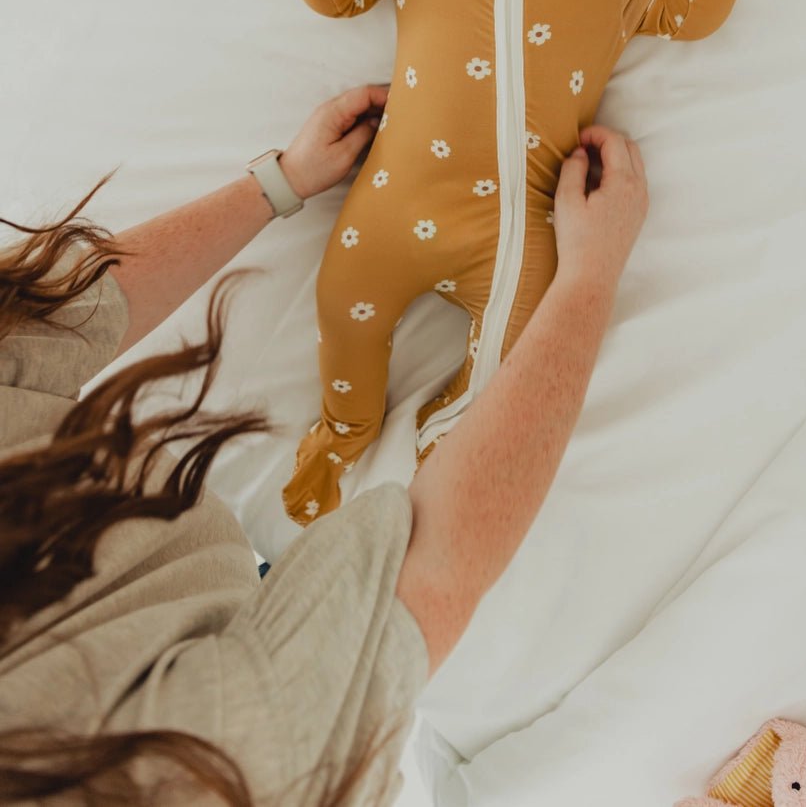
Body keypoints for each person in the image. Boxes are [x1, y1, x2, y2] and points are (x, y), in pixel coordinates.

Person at [0, 83, 648, 806]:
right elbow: (431, 564)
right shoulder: (208, 767)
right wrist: (590, 278)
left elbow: (41, 316)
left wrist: (279, 182)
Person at [284, 0, 742, 524]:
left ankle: (451, 428)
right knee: (340, 304)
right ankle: (345, 428)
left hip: (519, 223)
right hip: (388, 207)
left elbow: (691, 13)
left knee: (517, 350)